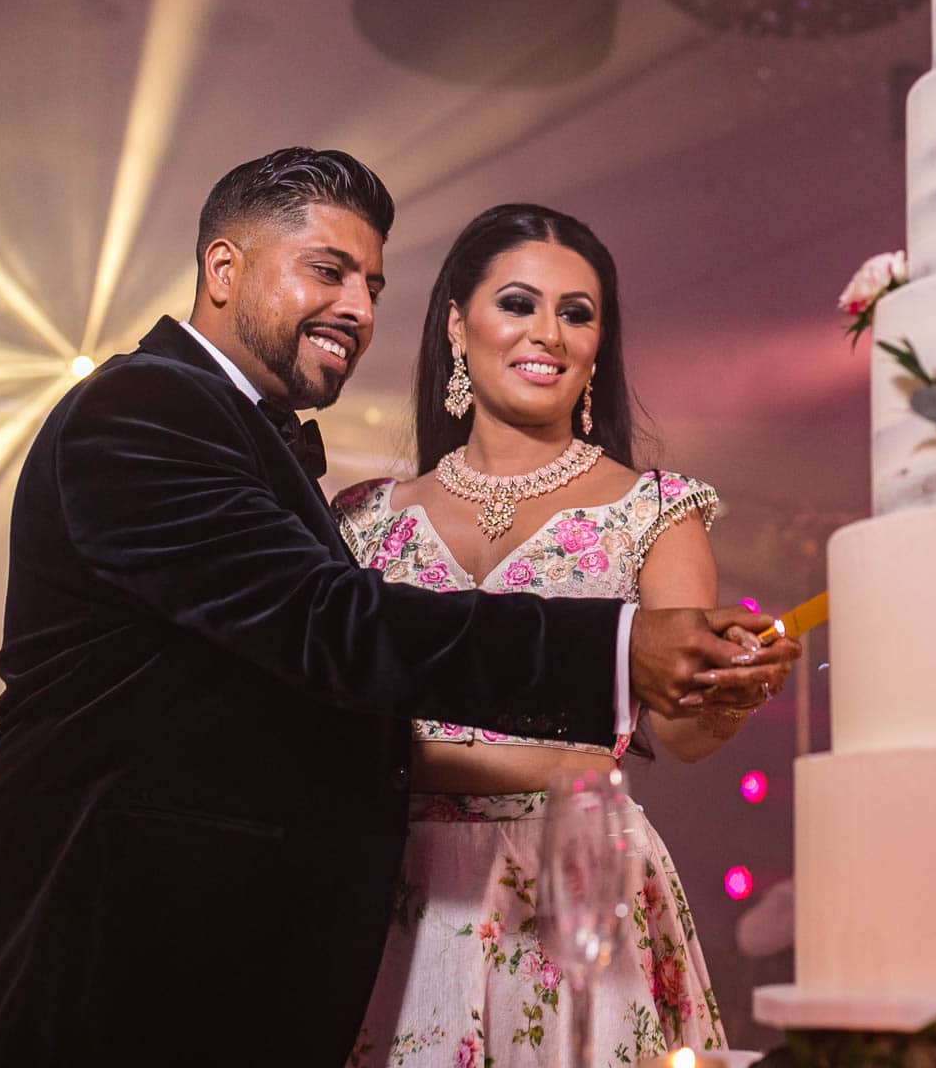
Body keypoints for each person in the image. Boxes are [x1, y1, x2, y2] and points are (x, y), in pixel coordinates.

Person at [0, 150, 793, 1068]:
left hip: (445, 926)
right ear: (224, 269)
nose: (361, 311)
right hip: (109, 954)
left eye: (372, 285)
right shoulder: (144, 411)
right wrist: (615, 652)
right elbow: (335, 628)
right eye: (326, 271)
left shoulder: (255, 441)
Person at [332, 204, 786, 1066]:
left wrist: (735, 691)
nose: (549, 332)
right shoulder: (364, 521)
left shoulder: (654, 510)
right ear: (458, 327)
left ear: (598, 347)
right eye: (518, 303)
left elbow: (685, 731)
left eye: (576, 313)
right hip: (390, 892)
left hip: (574, 887)